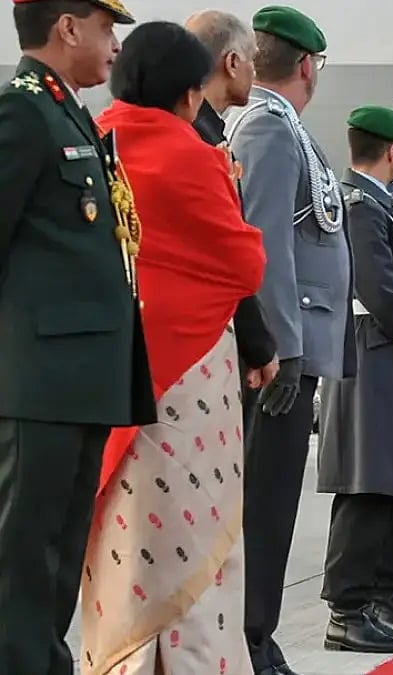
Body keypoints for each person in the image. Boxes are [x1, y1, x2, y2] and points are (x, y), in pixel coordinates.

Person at [81, 20, 267, 674]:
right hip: (190, 378)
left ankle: (119, 658)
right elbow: (244, 263)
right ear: (191, 96)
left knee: (127, 529)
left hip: (110, 369)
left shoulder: (93, 141)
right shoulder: (193, 155)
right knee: (194, 533)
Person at [0, 2, 155, 674]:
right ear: (67, 27)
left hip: (80, 376)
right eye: (104, 26)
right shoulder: (23, 113)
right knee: (23, 558)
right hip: (39, 380)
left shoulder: (69, 112)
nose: (114, 43)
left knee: (57, 557)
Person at [225, 6, 354, 674]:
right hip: (277, 356)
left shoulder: (281, 128)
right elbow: (265, 243)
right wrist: (279, 347)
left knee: (272, 502)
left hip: (290, 348)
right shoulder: (271, 131)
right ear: (308, 64)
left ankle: (257, 631)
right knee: (264, 506)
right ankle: (251, 636)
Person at [316, 106, 393, 653]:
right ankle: (348, 609)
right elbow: (381, 291)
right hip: (374, 357)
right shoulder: (362, 206)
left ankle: (381, 597)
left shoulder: (381, 206)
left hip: (390, 358)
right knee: (367, 486)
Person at [185, 9, 279, 427]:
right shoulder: (198, 140)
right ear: (231, 62)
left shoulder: (210, 133)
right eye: (252, 59)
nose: (256, 71)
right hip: (203, 343)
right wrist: (259, 344)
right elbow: (226, 256)